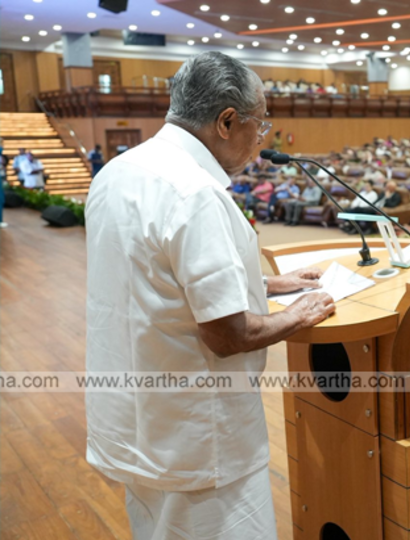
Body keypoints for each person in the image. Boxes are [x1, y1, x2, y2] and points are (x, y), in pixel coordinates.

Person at [85, 52, 335, 540]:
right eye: (259, 125)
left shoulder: (119, 171)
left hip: (134, 419)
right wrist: (300, 315)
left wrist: (265, 285)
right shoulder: (196, 192)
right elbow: (227, 333)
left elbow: (156, 282)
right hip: (197, 434)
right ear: (226, 121)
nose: (261, 140)